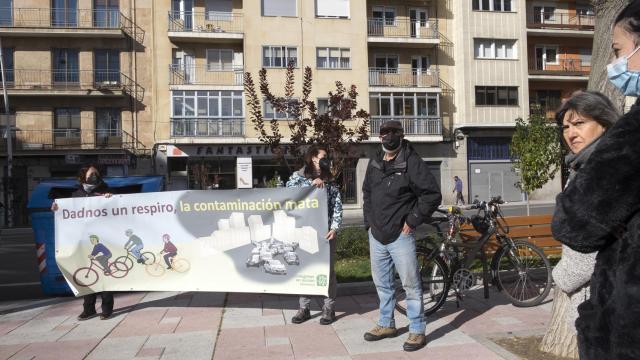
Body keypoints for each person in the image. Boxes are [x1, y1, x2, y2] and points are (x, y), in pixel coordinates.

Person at [551, 2, 640, 358]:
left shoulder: (630, 138)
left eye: (619, 51)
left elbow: (576, 223)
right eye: (565, 127)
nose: (617, 64)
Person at [541, 91, 619, 358]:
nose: (570, 133)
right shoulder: (583, 165)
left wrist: (560, 277)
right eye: (565, 126)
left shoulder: (605, 168)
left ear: (605, 123)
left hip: (606, 297)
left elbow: (587, 247)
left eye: (579, 123)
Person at [362, 120, 442, 352]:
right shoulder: (375, 160)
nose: (387, 137)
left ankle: (417, 330)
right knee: (383, 284)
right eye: (383, 133)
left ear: (401, 134)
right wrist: (368, 223)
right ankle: (386, 324)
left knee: (411, 285)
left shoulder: (412, 161)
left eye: (392, 133)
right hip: (376, 234)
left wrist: (412, 220)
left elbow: (431, 194)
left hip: (400, 235)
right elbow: (367, 192)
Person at [286, 144, 343, 325]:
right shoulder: (297, 177)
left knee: (328, 271)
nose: (325, 160)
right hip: (303, 233)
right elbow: (288, 194)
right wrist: (310, 185)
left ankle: (329, 308)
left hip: (325, 234)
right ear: (313, 158)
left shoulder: (331, 180)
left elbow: (337, 206)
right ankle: (304, 308)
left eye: (327, 156)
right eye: (322, 156)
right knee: (304, 268)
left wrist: (334, 228)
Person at [51, 164, 114, 321]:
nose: (95, 177)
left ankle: (107, 309)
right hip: (82, 242)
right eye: (92, 174)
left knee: (104, 277)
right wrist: (56, 208)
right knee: (87, 276)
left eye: (97, 174)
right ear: (83, 177)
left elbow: (117, 209)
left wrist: (110, 199)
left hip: (102, 239)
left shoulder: (106, 191)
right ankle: (89, 309)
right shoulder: (76, 194)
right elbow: (66, 212)